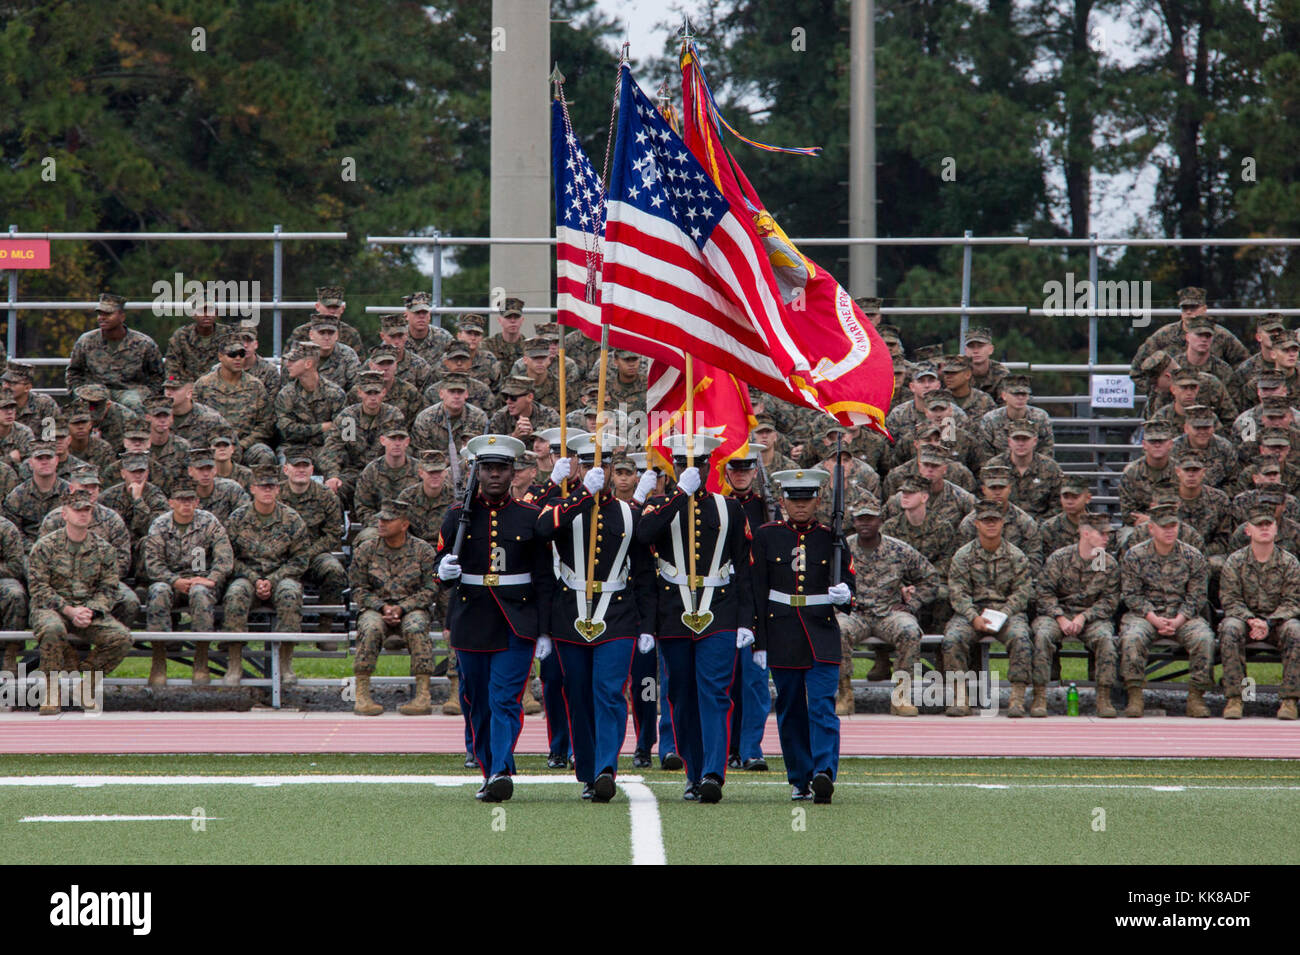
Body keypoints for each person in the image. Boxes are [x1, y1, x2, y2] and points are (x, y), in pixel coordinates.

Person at [535, 433, 656, 801]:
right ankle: (586, 769)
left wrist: (647, 625)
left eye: (600, 466)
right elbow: (538, 528)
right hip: (570, 612)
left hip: (617, 614)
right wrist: (568, 489)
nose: (595, 472)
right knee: (579, 694)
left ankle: (606, 768)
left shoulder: (628, 513)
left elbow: (645, 574)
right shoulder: (563, 506)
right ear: (578, 468)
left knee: (609, 693)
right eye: (587, 465)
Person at [636, 433, 754, 804]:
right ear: (674, 467)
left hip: (719, 608)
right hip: (673, 611)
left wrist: (747, 621)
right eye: (687, 464)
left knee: (714, 693)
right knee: (681, 695)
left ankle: (712, 774)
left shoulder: (730, 509)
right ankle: (693, 769)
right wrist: (679, 495)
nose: (695, 470)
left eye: (700, 464)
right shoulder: (660, 505)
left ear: (709, 465)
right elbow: (644, 536)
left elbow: (745, 568)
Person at [435, 434, 552, 802]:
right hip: (471, 616)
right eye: (488, 468)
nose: (495, 475)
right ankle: (488, 768)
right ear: (477, 472)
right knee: (476, 699)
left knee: (505, 699)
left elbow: (545, 578)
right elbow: (437, 570)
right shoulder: (457, 515)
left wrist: (545, 629)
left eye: (502, 468)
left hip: (516, 618)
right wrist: (444, 571)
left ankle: (501, 767)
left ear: (513, 472)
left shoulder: (531, 517)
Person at [752, 468, 854, 803]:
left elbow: (850, 585)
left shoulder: (831, 538)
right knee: (790, 709)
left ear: (819, 500)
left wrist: (846, 594)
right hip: (781, 630)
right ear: (781, 500)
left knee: (822, 705)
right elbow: (757, 590)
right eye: (794, 499)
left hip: (820, 630)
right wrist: (760, 641)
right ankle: (800, 777)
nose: (800, 506)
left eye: (807, 499)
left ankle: (824, 771)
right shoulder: (767, 536)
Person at [29, 489, 132, 715]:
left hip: (86, 609)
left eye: (87, 510)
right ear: (64, 514)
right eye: (77, 510)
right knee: (52, 629)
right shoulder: (46, 546)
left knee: (121, 638)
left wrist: (90, 611)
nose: (83, 514)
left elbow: (109, 588)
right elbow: (38, 588)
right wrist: (68, 610)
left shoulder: (104, 550)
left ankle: (85, 685)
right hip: (52, 608)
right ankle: (51, 691)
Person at [839, 496, 940, 717]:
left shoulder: (899, 549)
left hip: (889, 613)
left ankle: (901, 696)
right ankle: (844, 693)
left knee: (910, 631)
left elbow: (931, 579)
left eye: (870, 519)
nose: (865, 523)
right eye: (860, 519)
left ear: (880, 521)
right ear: (853, 522)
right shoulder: (842, 549)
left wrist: (912, 604)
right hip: (856, 613)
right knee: (838, 630)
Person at [1118, 501, 1214, 718]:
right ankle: (1135, 695)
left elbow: (1197, 596)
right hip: (1145, 615)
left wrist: (1179, 620)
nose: (1170, 530)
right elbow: (1132, 595)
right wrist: (1154, 618)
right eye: (1164, 526)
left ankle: (1196, 697)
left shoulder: (1192, 556)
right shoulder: (1135, 555)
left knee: (1204, 638)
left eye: (1173, 525)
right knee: (1133, 637)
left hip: (1183, 616)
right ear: (1151, 528)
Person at [943, 500, 1034, 717]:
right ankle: (960, 697)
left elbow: (1022, 591)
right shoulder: (963, 556)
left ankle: (1017, 698)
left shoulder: (1016, 556)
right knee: (953, 638)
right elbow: (958, 591)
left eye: (995, 520)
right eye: (986, 521)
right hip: (972, 613)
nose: (990, 525)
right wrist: (973, 617)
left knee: (1021, 637)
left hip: (1007, 612)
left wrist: (1004, 614)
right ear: (976, 524)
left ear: (1003, 523)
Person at [350, 499, 439, 716]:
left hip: (412, 609)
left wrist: (403, 607)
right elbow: (358, 588)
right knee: (370, 627)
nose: (381, 524)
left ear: (404, 524)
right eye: (380, 519)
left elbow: (430, 589)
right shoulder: (366, 549)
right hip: (375, 609)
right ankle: (362, 695)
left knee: (417, 627)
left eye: (388, 520)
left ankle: (423, 695)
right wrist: (382, 607)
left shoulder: (422, 550)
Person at [222, 465, 309, 686]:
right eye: (263, 487)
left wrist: (272, 580)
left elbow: (300, 560)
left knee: (291, 593)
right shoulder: (238, 518)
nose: (267, 491)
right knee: (235, 594)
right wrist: (254, 579)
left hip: (281, 577)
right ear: (253, 489)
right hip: (247, 577)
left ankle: (285, 664)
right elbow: (228, 558)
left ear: (278, 490)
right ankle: (234, 662)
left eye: (271, 487)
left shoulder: (291, 519)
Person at [143, 479, 233, 687]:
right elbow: (153, 564)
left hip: (202, 582)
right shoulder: (160, 525)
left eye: (190, 500)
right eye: (181, 500)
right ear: (171, 502)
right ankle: (159, 660)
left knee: (200, 593)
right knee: (158, 591)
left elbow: (225, 558)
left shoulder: (209, 522)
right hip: (171, 582)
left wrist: (211, 579)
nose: (186, 504)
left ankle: (201, 659)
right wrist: (175, 581)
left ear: (197, 502)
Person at [1031, 513, 1121, 717]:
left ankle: (1104, 697)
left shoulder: (1108, 563)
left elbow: (1109, 601)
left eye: (1109, 534)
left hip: (1091, 617)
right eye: (1102, 533)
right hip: (1058, 614)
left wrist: (1084, 617)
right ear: (1086, 533)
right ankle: (1039, 696)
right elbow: (1044, 593)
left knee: (1105, 638)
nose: (1107, 538)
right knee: (1042, 635)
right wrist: (1060, 617)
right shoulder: (1060, 559)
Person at [1217, 505, 1300, 720]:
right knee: (1229, 628)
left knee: (1295, 631)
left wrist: (1268, 623)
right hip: (1246, 621)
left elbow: (1292, 602)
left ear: (1276, 530)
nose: (1264, 528)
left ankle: (1289, 700)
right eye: (1259, 525)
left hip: (1277, 623)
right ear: (1248, 530)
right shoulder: (1235, 562)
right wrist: (1251, 620)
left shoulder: (1289, 563)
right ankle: (1238, 697)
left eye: (1268, 525)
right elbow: (1230, 599)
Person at [280, 451, 346, 643]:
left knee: (334, 570)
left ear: (312, 470)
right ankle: (287, 633)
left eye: (305, 466)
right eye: (295, 466)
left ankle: (325, 628)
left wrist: (307, 554)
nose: (301, 470)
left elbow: (333, 534)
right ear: (286, 470)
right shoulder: (276, 494)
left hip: (314, 554)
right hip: (283, 555)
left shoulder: (325, 496)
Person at [65, 292, 163, 412]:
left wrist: (147, 395)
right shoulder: (86, 341)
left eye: (108, 314)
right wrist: (78, 393)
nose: (102, 318)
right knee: (90, 403)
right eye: (100, 314)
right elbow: (74, 372)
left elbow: (157, 376)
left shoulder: (144, 343)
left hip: (130, 392)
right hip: (96, 391)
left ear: (122, 316)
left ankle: (137, 430)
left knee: (133, 403)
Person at [192, 333, 275, 465]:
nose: (238, 358)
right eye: (232, 354)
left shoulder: (255, 386)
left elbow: (265, 425)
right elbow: (194, 420)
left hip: (245, 447)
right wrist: (216, 447)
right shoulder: (203, 385)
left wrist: (241, 445)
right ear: (220, 356)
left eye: (241, 354)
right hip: (211, 447)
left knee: (264, 454)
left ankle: (260, 486)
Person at [273, 342, 346, 471]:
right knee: (286, 467)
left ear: (308, 364)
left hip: (325, 448)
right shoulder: (286, 395)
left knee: (336, 465)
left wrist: (305, 432)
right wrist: (321, 427)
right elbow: (287, 432)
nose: (287, 364)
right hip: (293, 448)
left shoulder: (335, 393)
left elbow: (342, 432)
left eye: (293, 361)